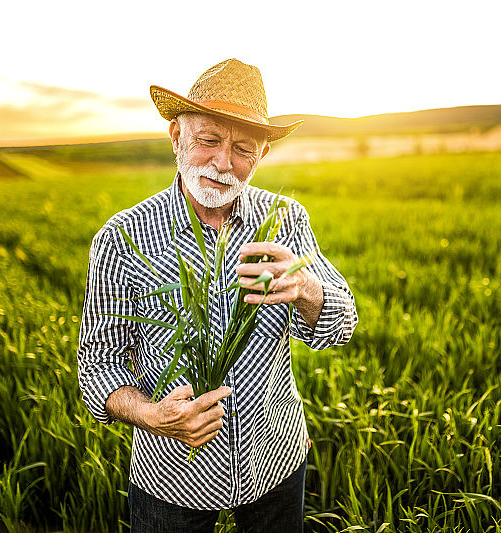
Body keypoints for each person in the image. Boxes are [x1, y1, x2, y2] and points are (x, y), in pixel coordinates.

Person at [76, 58, 358, 533]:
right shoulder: (122, 238)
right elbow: (97, 365)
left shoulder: (286, 220)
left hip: (275, 464)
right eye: (208, 140)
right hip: (170, 480)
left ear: (260, 156)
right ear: (176, 137)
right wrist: (153, 416)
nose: (223, 163)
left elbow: (342, 324)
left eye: (243, 148)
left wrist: (305, 288)